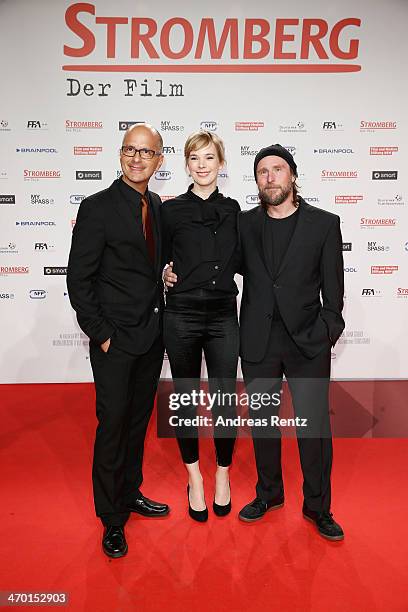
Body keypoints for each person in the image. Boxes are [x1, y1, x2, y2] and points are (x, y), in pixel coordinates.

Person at [67, 123, 170, 558]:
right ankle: (111, 519)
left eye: (146, 152)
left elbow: (153, 266)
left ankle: (130, 492)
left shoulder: (159, 206)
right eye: (130, 149)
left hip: (151, 338)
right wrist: (102, 334)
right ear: (120, 154)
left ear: (158, 161)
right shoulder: (97, 207)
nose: (136, 158)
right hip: (115, 339)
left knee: (135, 424)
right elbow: (79, 278)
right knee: (112, 427)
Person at [237, 144, 345, 540]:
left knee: (314, 428)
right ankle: (269, 494)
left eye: (277, 169)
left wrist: (326, 331)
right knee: (263, 424)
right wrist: (171, 273)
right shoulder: (244, 224)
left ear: (293, 175)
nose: (270, 177)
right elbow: (215, 266)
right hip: (259, 341)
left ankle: (318, 507)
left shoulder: (324, 224)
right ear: (257, 181)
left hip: (307, 343)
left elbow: (335, 293)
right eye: (262, 171)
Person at [161, 131, 240, 522]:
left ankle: (222, 475)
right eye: (195, 158)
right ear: (187, 164)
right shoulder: (170, 210)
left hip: (224, 315)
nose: (203, 165)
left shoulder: (234, 210)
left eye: (209, 158)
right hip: (181, 316)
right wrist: (163, 270)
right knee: (187, 400)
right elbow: (155, 256)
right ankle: (194, 477)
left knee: (226, 400)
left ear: (221, 163)